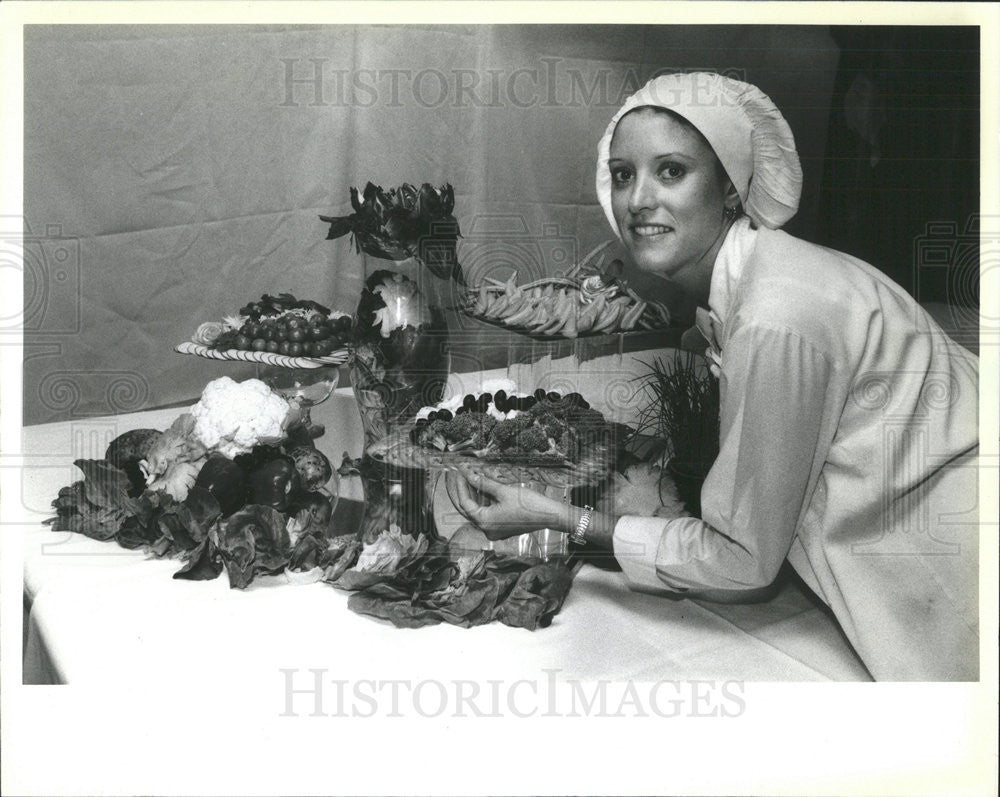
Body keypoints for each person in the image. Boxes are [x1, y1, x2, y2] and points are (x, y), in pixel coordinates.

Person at [447, 72, 980, 681]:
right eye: (624, 175)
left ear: (730, 188)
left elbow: (741, 560)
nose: (638, 199)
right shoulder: (767, 279)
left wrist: (554, 515)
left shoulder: (775, 315)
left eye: (670, 171)